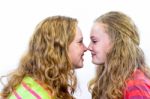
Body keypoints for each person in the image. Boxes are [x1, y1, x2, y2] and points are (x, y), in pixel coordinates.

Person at [0, 16, 87, 99]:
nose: (86, 48)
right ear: (60, 49)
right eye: (80, 42)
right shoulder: (38, 95)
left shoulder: (33, 84)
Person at [88, 11, 150, 99]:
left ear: (116, 43)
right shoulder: (113, 81)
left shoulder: (136, 86)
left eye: (94, 41)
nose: (89, 47)